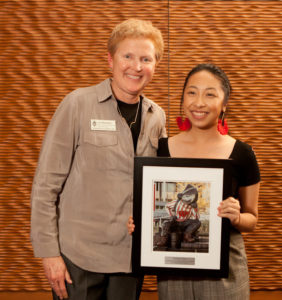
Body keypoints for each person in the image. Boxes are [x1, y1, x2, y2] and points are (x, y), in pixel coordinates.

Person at [30, 18, 166, 300]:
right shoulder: (77, 104)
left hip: (130, 257)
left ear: (155, 65)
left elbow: (159, 186)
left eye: (146, 59)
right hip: (78, 257)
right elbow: (45, 185)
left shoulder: (157, 117)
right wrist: (49, 254)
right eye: (127, 56)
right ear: (110, 60)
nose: (136, 66)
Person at [128, 63, 260, 300]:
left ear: (224, 104)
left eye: (210, 94)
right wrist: (139, 223)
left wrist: (238, 217)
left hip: (226, 270)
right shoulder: (162, 149)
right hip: (173, 267)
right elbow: (151, 209)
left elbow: (252, 220)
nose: (199, 102)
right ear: (183, 99)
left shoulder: (242, 154)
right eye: (192, 92)